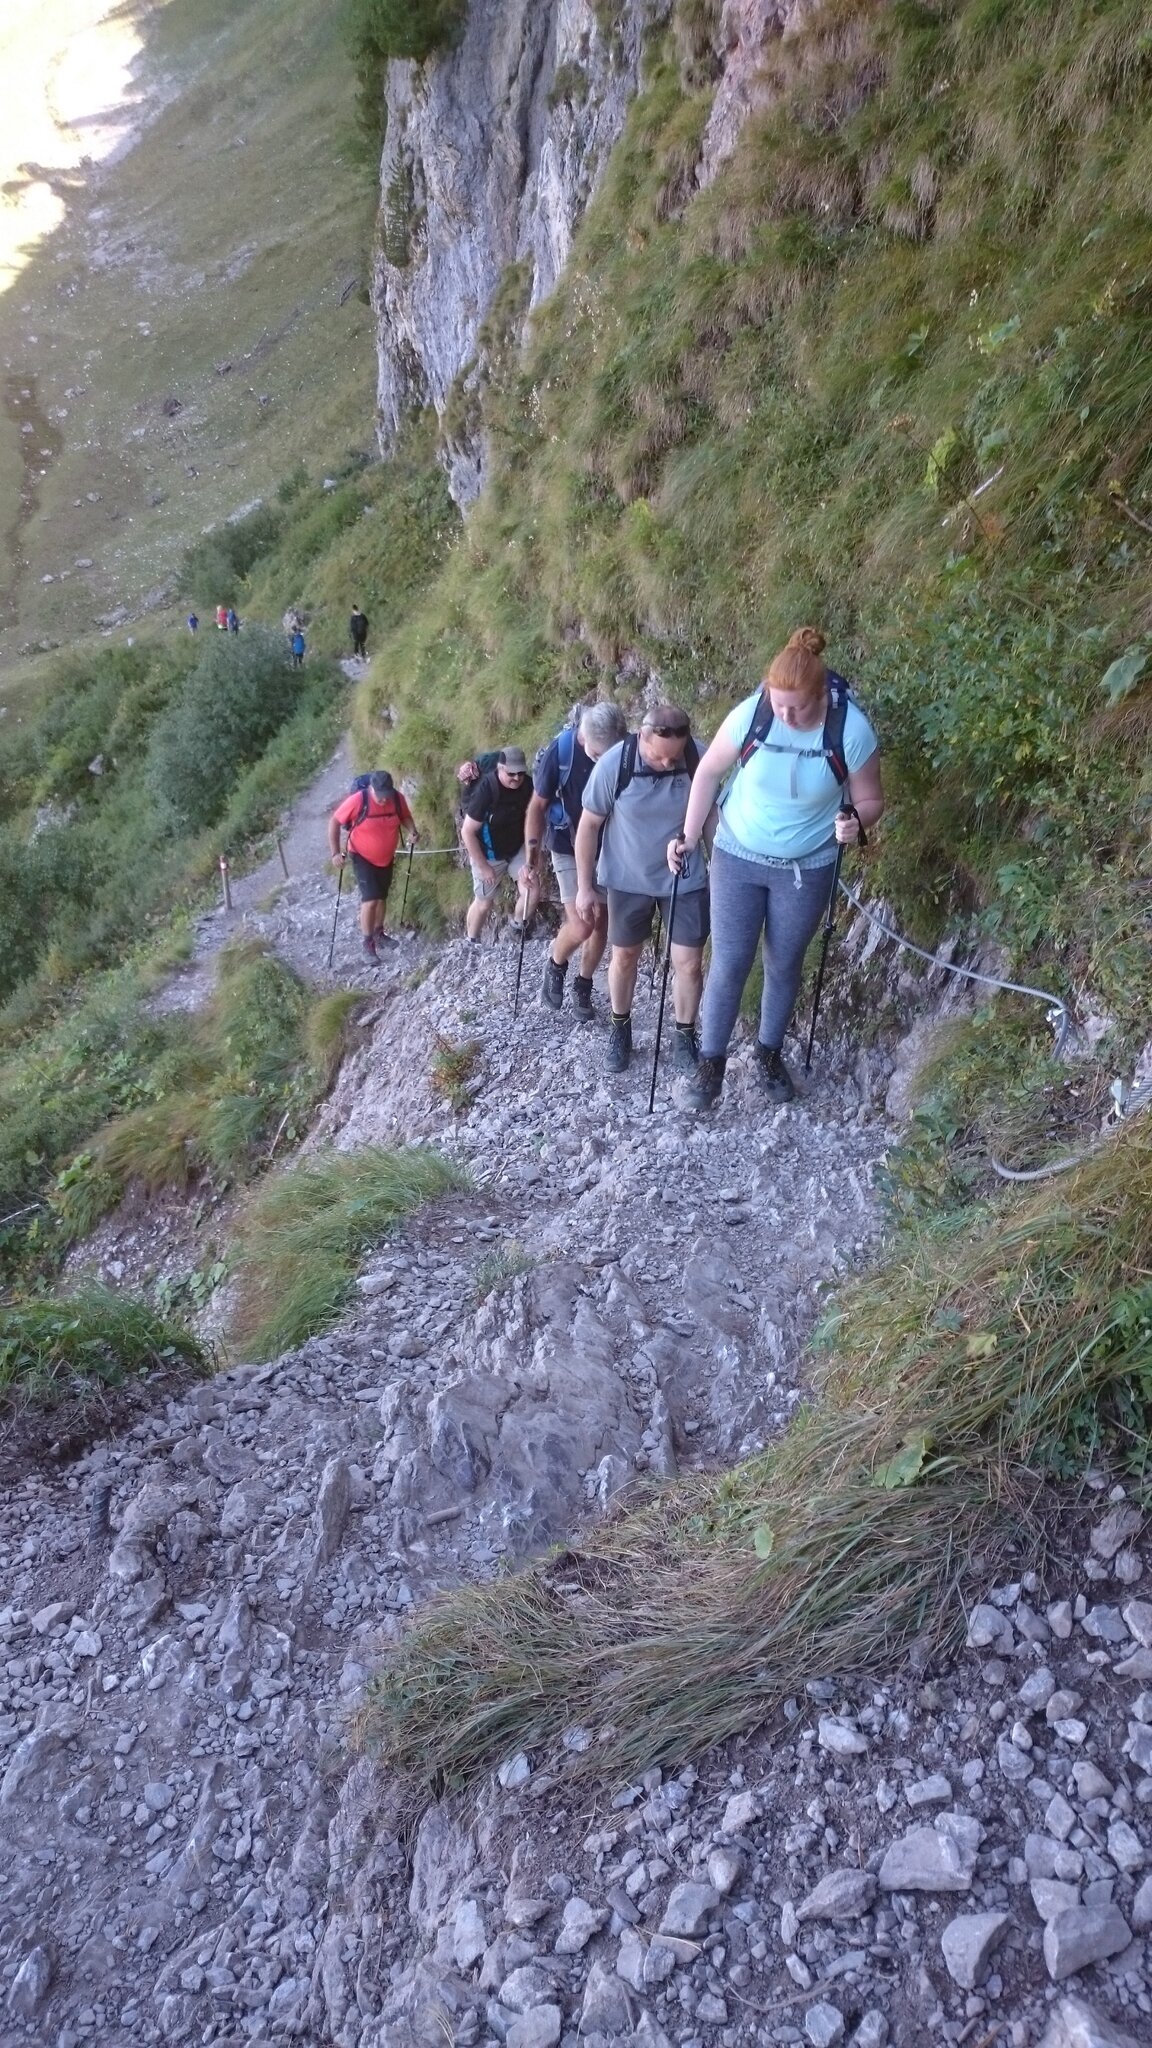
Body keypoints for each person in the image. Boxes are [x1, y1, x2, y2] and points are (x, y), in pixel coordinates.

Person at [670, 626, 884, 1113]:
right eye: (778, 704)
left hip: (807, 867)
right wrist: (688, 834)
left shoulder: (850, 730)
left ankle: (768, 1053)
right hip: (737, 854)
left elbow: (871, 799)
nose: (786, 716)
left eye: (797, 707)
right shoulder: (753, 714)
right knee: (730, 960)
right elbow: (708, 772)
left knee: (785, 961)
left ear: (820, 695)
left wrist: (855, 820)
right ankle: (711, 1065)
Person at [575, 706, 709, 1076]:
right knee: (624, 956)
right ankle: (620, 1028)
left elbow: (712, 815)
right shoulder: (615, 764)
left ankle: (684, 1035)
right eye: (659, 756)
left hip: (684, 877)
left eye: (674, 758)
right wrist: (585, 887)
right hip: (627, 877)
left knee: (689, 963)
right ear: (642, 737)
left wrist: (721, 872)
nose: (667, 764)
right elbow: (588, 826)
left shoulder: (698, 757)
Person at [525, 702, 628, 1021]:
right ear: (584, 738)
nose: (603, 763)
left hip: (607, 847)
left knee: (602, 923)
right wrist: (531, 860)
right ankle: (556, 964)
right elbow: (536, 807)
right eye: (597, 756)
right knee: (584, 923)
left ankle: (583, 984)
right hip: (566, 844)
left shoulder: (624, 751)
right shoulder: (562, 752)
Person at [328, 770, 417, 959]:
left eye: (387, 795)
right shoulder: (359, 800)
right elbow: (334, 822)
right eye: (380, 796)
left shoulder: (397, 799)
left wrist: (412, 830)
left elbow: (405, 816)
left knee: (381, 897)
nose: (384, 800)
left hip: (386, 857)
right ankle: (368, 943)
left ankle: (379, 933)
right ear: (372, 789)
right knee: (370, 899)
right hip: (361, 855)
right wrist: (335, 852)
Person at [460, 747, 542, 942]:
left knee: (532, 890)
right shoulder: (486, 790)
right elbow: (467, 832)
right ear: (500, 769)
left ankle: (517, 928)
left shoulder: (528, 786)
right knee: (484, 903)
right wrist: (483, 867)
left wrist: (532, 859)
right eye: (511, 774)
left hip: (516, 849)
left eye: (520, 773)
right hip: (488, 854)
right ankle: (471, 940)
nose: (516, 778)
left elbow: (536, 821)